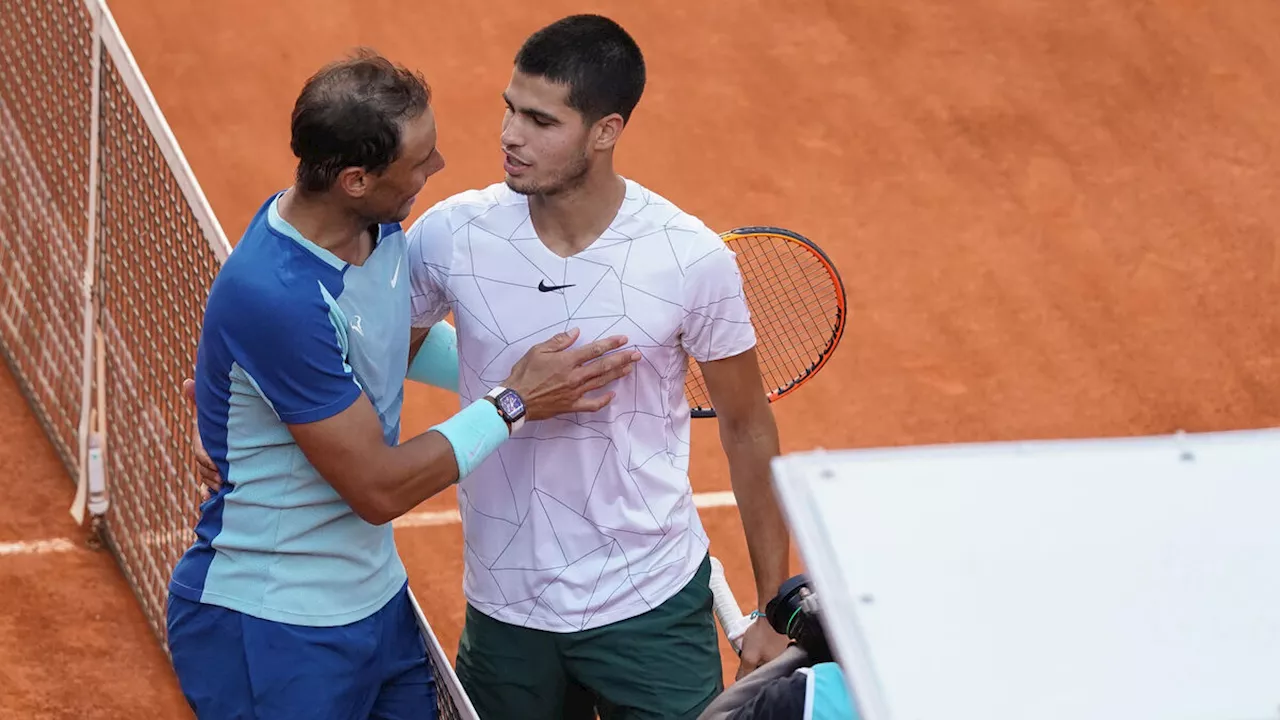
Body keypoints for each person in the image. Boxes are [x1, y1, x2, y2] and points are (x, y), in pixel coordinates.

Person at [168, 49, 641, 720]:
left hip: (375, 609)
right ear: (356, 178)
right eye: (420, 161)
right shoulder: (276, 293)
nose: (438, 168)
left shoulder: (377, 230)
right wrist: (514, 402)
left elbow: (390, 340)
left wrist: (561, 372)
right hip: (271, 627)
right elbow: (378, 488)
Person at [404, 14, 794, 719]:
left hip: (649, 603)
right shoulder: (449, 235)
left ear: (605, 130)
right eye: (509, 109)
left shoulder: (689, 258)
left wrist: (772, 606)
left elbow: (747, 427)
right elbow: (377, 363)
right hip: (506, 605)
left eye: (541, 120)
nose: (510, 136)